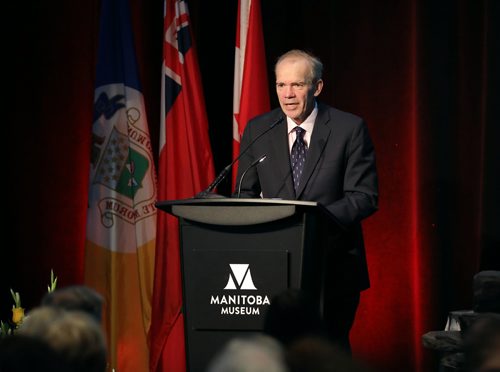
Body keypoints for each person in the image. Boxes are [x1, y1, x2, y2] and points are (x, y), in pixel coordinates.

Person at [234, 49, 379, 353]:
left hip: (333, 268)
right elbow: (245, 195)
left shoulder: (348, 129)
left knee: (327, 353)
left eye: (297, 85)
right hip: (274, 267)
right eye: (280, 85)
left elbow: (363, 197)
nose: (287, 94)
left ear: (318, 87)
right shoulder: (259, 130)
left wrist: (313, 221)